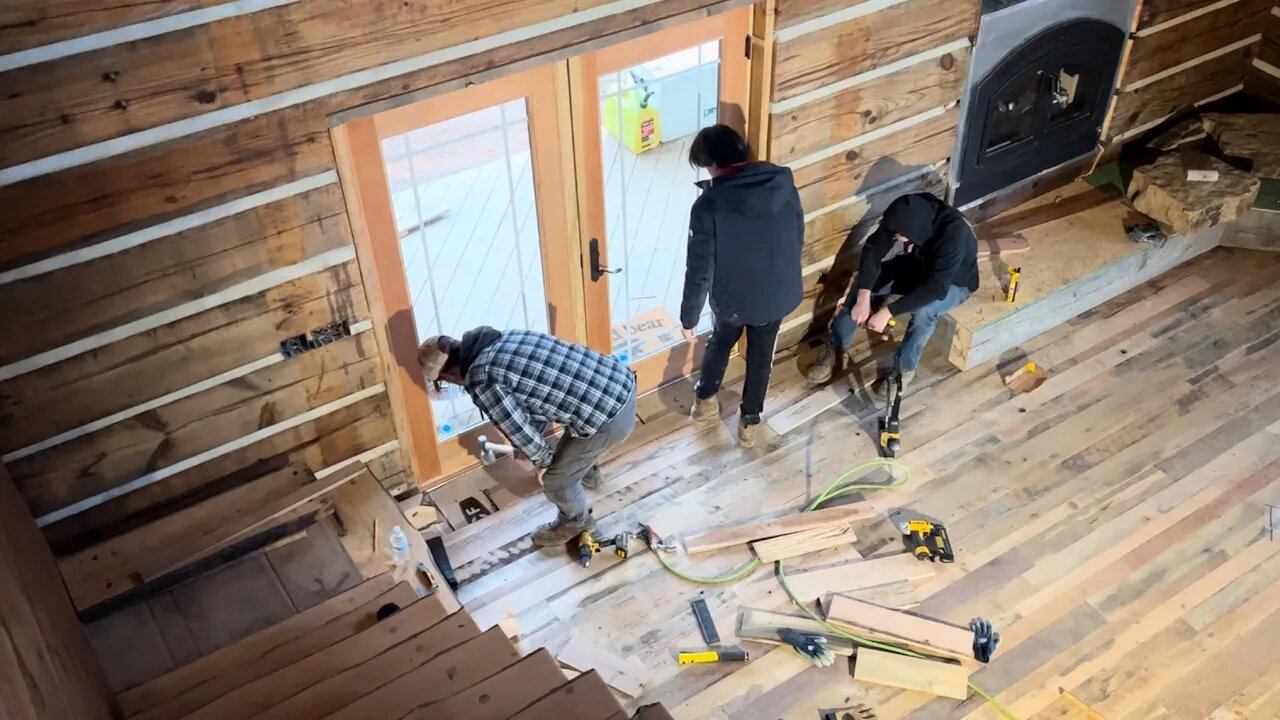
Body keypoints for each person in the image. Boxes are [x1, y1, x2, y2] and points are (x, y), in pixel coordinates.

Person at [418, 327, 636, 546]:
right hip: (621, 381)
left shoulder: (482, 380)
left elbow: (519, 430)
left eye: (444, 382)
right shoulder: (506, 337)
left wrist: (542, 463)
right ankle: (589, 475)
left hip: (609, 420)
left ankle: (576, 523)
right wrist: (527, 448)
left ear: (448, 375)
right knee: (576, 421)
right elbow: (533, 399)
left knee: (556, 481)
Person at [679, 124, 804, 448]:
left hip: (733, 299)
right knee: (762, 357)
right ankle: (749, 422)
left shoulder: (708, 206)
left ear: (713, 164)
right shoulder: (783, 182)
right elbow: (796, 235)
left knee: (720, 343)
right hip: (776, 293)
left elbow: (700, 269)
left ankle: (704, 403)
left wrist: (688, 318)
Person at [806, 193, 979, 390]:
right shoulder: (906, 212)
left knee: (925, 311)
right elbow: (872, 251)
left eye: (900, 235)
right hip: (918, 266)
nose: (895, 238)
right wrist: (863, 297)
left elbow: (935, 289)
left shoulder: (954, 234)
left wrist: (888, 312)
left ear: (916, 229)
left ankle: (903, 370)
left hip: (953, 284)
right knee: (866, 281)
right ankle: (836, 348)